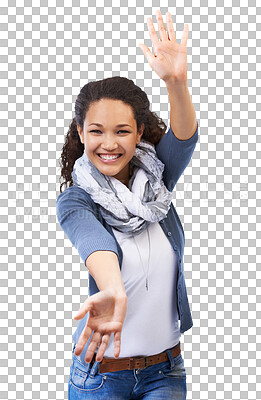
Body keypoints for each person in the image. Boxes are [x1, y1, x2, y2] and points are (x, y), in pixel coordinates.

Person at [56, 10, 198, 400]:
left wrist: (177, 82)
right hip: (101, 377)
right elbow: (94, 244)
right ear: (81, 132)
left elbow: (183, 140)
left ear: (139, 134)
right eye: (96, 131)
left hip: (166, 370)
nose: (109, 144)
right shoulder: (76, 199)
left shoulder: (157, 182)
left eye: (122, 131)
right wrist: (113, 288)